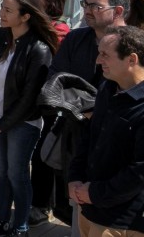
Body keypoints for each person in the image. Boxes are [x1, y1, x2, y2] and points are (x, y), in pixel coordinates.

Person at [0, 0, 59, 237]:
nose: (1, 14)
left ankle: (20, 227)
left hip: (22, 124)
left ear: (26, 16)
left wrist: (0, 125)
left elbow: (29, 98)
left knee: (17, 174)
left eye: (8, 10)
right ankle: (0, 220)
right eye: (2, 8)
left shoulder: (39, 49)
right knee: (2, 173)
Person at [68, 25, 144, 237]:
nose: (98, 61)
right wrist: (74, 178)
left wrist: (94, 193)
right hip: (89, 207)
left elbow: (139, 172)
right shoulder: (107, 87)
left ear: (131, 60)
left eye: (105, 55)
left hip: (121, 222)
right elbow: (89, 136)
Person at [28, 0, 74, 225]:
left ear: (50, 0)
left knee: (42, 154)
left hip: (46, 105)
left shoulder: (60, 30)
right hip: (25, 100)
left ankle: (40, 204)